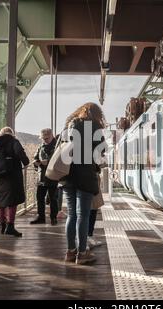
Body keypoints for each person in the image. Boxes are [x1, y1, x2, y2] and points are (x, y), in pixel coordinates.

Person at [62, 102, 106, 264]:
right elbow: (100, 153)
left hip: (67, 175)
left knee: (72, 215)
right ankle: (82, 253)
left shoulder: (68, 126)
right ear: (96, 114)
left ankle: (70, 252)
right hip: (85, 175)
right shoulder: (94, 127)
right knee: (83, 215)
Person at [0, 127, 30, 237]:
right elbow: (19, 152)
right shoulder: (14, 141)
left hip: (0, 176)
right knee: (12, 201)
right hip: (13, 174)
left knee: (2, 201)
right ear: (12, 134)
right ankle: (10, 226)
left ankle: (3, 225)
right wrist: (25, 162)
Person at [31, 128, 59, 225]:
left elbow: (60, 160)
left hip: (53, 176)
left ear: (52, 136)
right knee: (40, 197)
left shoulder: (57, 146)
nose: (45, 140)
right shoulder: (41, 146)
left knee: (53, 198)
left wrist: (48, 162)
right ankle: (41, 217)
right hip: (42, 176)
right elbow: (35, 158)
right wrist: (36, 163)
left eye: (47, 138)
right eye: (43, 138)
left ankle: (53, 217)